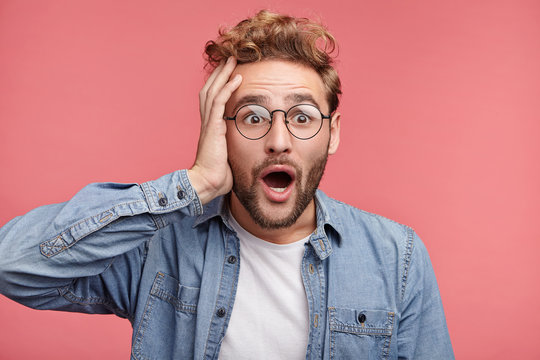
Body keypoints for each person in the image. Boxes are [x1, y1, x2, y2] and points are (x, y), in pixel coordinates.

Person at [0, 10, 454, 359]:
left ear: (332, 133)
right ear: (219, 130)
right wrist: (196, 183)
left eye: (302, 117)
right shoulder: (157, 247)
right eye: (253, 117)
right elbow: (10, 264)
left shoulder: (398, 258)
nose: (279, 142)